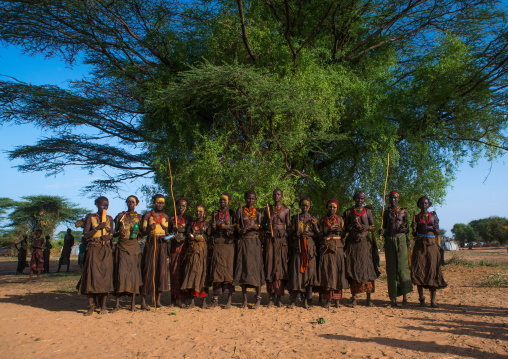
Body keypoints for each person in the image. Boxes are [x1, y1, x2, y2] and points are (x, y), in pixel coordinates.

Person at [76, 196, 115, 315]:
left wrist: (108, 237)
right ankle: (91, 307)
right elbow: (86, 235)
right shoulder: (91, 217)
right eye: (102, 205)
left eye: (106, 205)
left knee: (105, 277)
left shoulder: (109, 218)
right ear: (96, 204)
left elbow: (112, 233)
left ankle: (103, 306)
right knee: (91, 277)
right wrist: (98, 228)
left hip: (105, 250)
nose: (105, 207)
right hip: (93, 248)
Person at [343, 191, 379, 307]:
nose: (359, 200)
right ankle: (354, 298)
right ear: (354, 199)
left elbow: (373, 227)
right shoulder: (348, 212)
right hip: (353, 244)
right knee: (353, 267)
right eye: (357, 198)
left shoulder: (367, 212)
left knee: (367, 268)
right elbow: (345, 229)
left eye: (362, 198)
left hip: (365, 244)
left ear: (364, 200)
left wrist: (367, 227)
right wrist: (352, 226)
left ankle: (368, 299)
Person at [411, 196, 447, 307]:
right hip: (420, 245)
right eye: (421, 203)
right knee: (418, 270)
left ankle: (433, 300)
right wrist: (414, 229)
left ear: (429, 204)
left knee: (433, 270)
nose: (423, 205)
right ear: (418, 205)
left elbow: (437, 231)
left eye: (425, 203)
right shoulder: (416, 217)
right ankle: (421, 299)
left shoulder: (434, 216)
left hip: (432, 246)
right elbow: (414, 234)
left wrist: (436, 229)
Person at [380, 191, 413, 307]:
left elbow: (407, 228)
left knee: (402, 268)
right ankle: (393, 298)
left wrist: (403, 229)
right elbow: (384, 228)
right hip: (389, 241)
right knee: (391, 269)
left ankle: (405, 298)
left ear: (398, 199)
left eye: (394, 198)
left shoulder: (404, 212)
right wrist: (382, 231)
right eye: (390, 198)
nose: (392, 200)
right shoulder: (386, 212)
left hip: (400, 241)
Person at [287, 197, 320, 309]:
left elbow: (319, 235)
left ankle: (307, 300)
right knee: (296, 273)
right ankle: (294, 299)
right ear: (300, 206)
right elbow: (290, 233)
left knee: (309, 274)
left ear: (309, 206)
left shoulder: (313, 219)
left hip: (309, 249)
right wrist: (294, 234)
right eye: (302, 205)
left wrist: (310, 233)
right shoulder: (295, 218)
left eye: (306, 205)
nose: (304, 207)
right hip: (298, 248)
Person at [235, 190, 265, 309]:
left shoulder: (258, 212)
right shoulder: (240, 210)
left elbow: (261, 226)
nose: (250, 201)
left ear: (255, 200)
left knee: (256, 268)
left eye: (253, 199)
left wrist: (254, 226)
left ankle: (258, 298)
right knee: (243, 268)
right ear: (245, 198)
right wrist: (239, 229)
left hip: (255, 243)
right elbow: (237, 224)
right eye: (248, 198)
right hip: (244, 242)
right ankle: (245, 300)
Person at [112, 195, 142, 312]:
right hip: (122, 247)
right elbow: (114, 233)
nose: (131, 203)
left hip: (134, 248)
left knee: (133, 275)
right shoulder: (120, 216)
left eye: (133, 202)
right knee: (121, 273)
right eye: (129, 201)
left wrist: (138, 232)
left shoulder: (139, 217)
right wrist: (119, 233)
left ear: (136, 204)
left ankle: (133, 304)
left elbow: (143, 233)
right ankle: (117, 303)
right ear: (126, 203)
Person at [140, 194, 169, 310]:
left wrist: (166, 232)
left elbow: (167, 232)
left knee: (161, 272)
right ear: (154, 203)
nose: (160, 205)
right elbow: (142, 233)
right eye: (158, 202)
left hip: (162, 245)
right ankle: (143, 301)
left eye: (162, 203)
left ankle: (157, 300)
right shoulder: (147, 215)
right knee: (148, 271)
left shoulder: (165, 216)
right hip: (151, 245)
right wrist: (149, 229)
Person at [262, 188, 290, 307]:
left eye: (278, 194)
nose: (276, 196)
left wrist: (284, 236)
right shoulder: (267, 209)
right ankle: (271, 297)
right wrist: (267, 224)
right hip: (270, 240)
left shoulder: (286, 210)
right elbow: (262, 225)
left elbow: (288, 227)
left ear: (282, 196)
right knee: (270, 265)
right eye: (274, 194)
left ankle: (279, 297)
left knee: (280, 267)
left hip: (281, 241)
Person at [318, 200, 348, 308]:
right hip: (326, 248)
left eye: (334, 207)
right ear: (327, 207)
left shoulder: (340, 219)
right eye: (330, 207)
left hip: (338, 248)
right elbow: (320, 235)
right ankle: (328, 300)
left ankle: (337, 301)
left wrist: (340, 229)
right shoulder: (322, 220)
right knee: (327, 272)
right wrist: (329, 229)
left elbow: (344, 234)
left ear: (337, 209)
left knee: (338, 273)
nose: (332, 209)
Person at [210, 193, 237, 309]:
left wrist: (226, 227)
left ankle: (229, 300)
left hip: (228, 244)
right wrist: (214, 226)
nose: (222, 202)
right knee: (216, 270)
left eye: (224, 200)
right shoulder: (215, 213)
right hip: (217, 244)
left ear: (229, 201)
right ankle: (215, 299)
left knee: (228, 270)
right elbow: (210, 231)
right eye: (220, 200)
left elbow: (236, 226)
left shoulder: (232, 213)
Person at [181, 204, 210, 309]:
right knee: (192, 273)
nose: (198, 213)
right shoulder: (191, 224)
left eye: (200, 211)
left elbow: (208, 237)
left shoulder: (207, 224)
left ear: (204, 213)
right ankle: (192, 301)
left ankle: (204, 301)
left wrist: (197, 237)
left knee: (202, 273)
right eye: (197, 211)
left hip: (202, 251)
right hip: (192, 251)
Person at [168, 199, 193, 307]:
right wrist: (173, 234)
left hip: (185, 248)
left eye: (183, 205)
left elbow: (191, 232)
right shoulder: (172, 218)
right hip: (174, 247)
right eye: (179, 205)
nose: (180, 207)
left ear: (186, 207)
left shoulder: (189, 219)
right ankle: (173, 299)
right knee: (174, 273)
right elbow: (167, 232)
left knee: (183, 272)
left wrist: (183, 232)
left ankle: (182, 299)